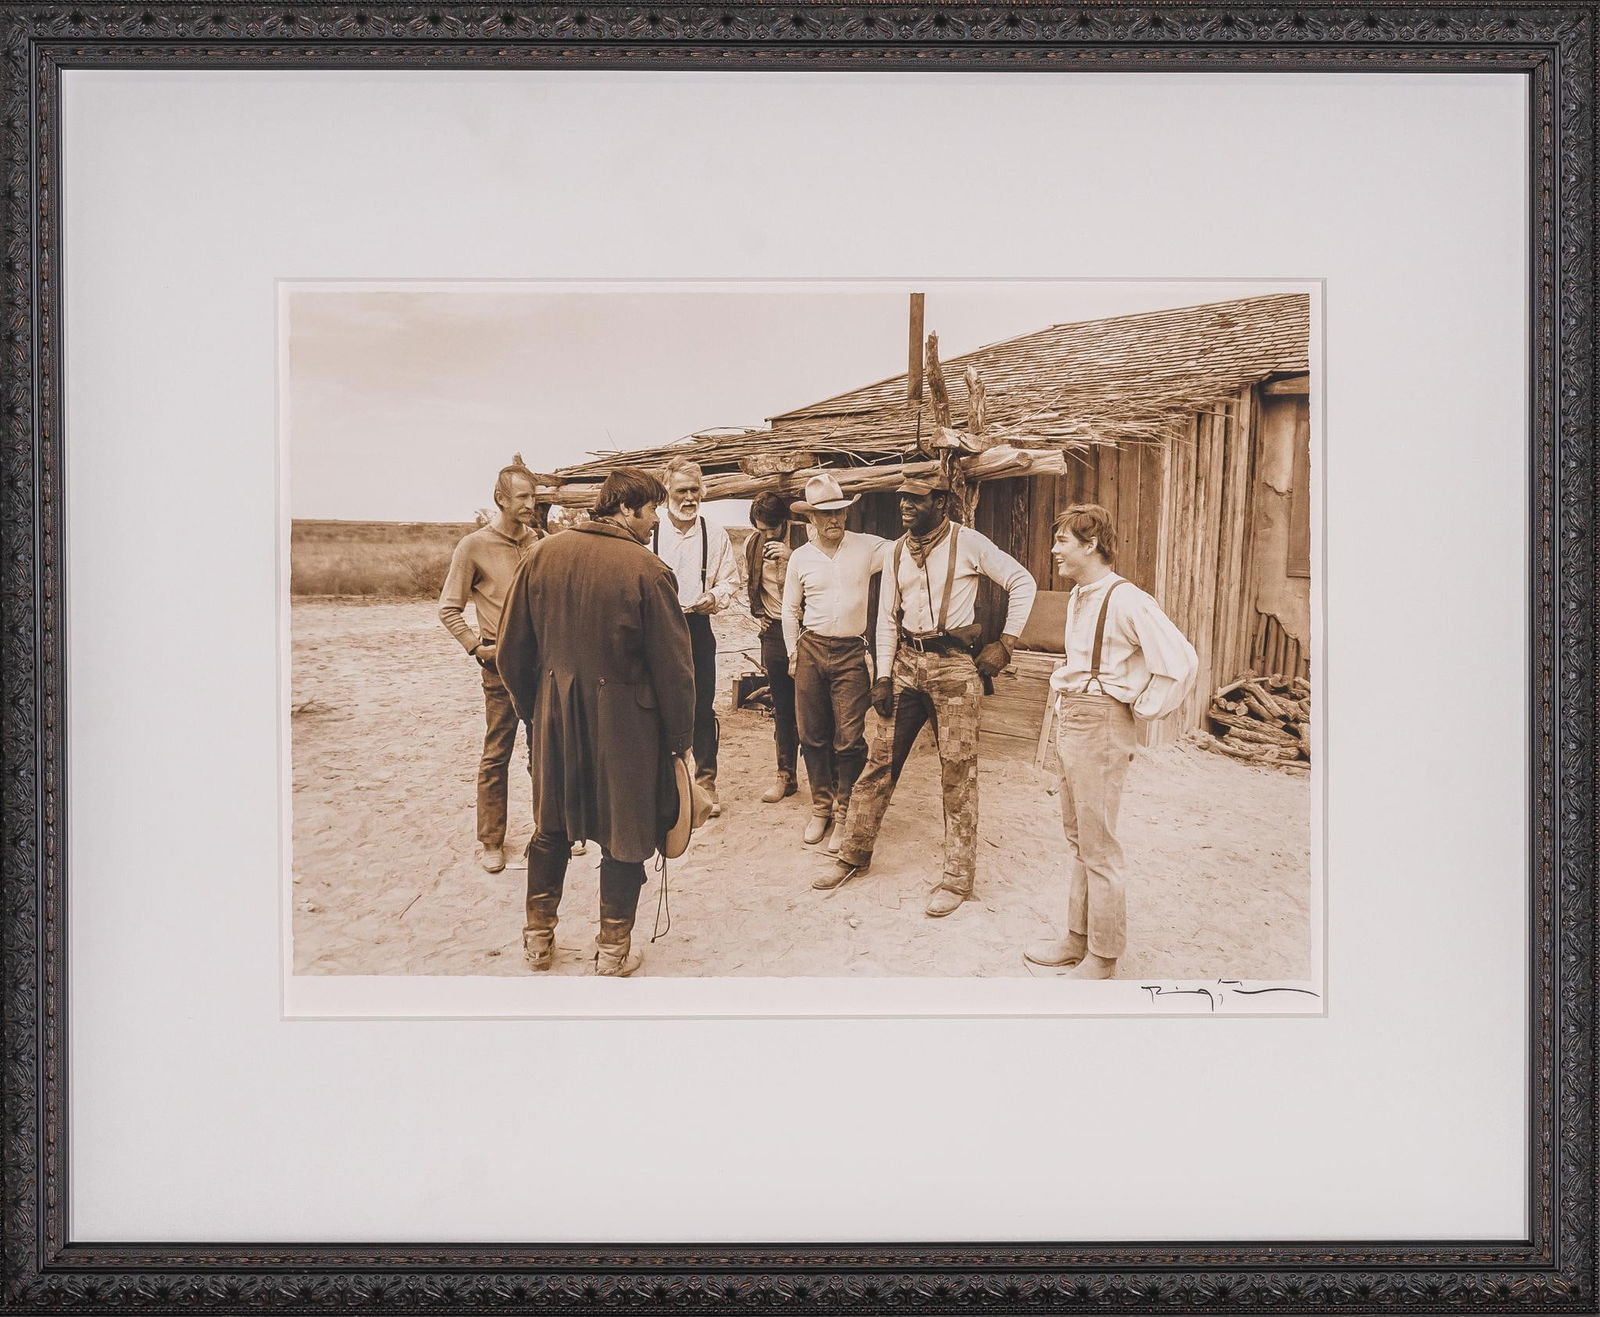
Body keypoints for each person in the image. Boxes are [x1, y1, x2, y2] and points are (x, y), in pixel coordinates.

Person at [495, 467, 696, 977]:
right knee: (627, 833)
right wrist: (679, 741)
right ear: (627, 509)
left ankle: (538, 939)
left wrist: (535, 713)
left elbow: (511, 652)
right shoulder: (648, 570)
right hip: (627, 727)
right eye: (652, 510)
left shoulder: (541, 555)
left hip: (555, 721)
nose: (655, 522)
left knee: (552, 825)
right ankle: (612, 951)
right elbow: (675, 670)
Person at [820, 474, 1037, 917]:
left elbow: (1022, 582)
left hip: (955, 669)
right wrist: (882, 676)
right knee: (878, 763)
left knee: (958, 772)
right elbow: (885, 618)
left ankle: (957, 878)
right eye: (902, 498)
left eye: (916, 500)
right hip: (905, 665)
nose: (904, 506)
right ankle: (853, 855)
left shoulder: (969, 542)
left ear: (941, 503)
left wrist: (1006, 643)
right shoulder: (897, 550)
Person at [1023, 504, 1197, 980]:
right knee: (1080, 838)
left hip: (1101, 722)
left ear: (1090, 544)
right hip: (1073, 716)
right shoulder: (1081, 594)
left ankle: (1104, 956)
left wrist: (1140, 707)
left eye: (1062, 541)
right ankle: (1077, 940)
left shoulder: (1128, 600)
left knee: (1099, 846)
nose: (1054, 549)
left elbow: (1180, 661)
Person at [438, 460, 543, 873]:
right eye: (523, 497)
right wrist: (474, 646)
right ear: (501, 499)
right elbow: (448, 608)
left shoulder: (538, 543)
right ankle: (492, 840)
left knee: (545, 753)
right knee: (496, 754)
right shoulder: (473, 546)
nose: (531, 504)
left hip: (539, 666)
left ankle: (548, 834)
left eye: (534, 497)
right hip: (498, 669)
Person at [781, 473, 888, 851]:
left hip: (850, 652)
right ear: (810, 518)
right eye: (824, 514)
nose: (834, 520)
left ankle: (845, 812)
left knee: (849, 738)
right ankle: (821, 808)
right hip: (810, 649)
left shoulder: (866, 548)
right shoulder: (801, 557)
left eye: (839, 512)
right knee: (811, 734)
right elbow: (790, 610)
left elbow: (908, 548)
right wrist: (793, 652)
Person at [650, 457, 739, 815]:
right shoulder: (651, 531)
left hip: (697, 627)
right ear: (667, 490)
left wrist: (714, 597)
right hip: (657, 629)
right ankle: (663, 781)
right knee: (656, 703)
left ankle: (706, 781)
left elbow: (731, 579)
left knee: (702, 706)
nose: (689, 498)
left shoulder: (713, 533)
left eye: (694, 490)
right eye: (681, 490)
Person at [746, 491, 800, 805]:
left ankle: (829, 782)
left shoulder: (806, 538)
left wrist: (793, 555)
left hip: (808, 631)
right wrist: (759, 616)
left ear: (785, 520)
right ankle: (785, 775)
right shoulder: (752, 544)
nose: (767, 535)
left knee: (815, 708)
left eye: (773, 528)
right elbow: (750, 583)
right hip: (775, 632)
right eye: (761, 529)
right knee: (782, 706)